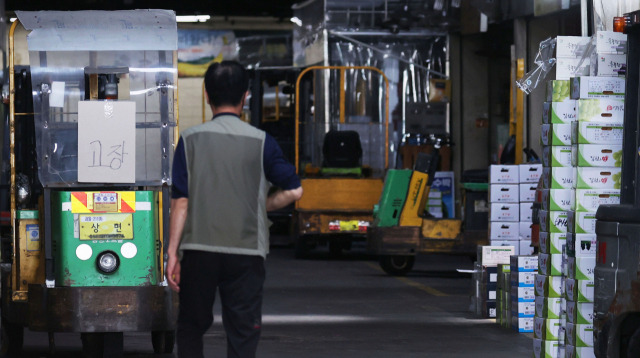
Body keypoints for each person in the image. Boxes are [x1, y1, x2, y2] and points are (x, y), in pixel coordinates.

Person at [167, 60, 303, 358]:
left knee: (190, 326)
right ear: (245, 96)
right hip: (246, 252)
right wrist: (262, 205)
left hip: (199, 249)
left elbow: (181, 202)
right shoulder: (261, 142)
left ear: (206, 95)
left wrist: (172, 254)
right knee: (243, 331)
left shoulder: (190, 140)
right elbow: (294, 189)